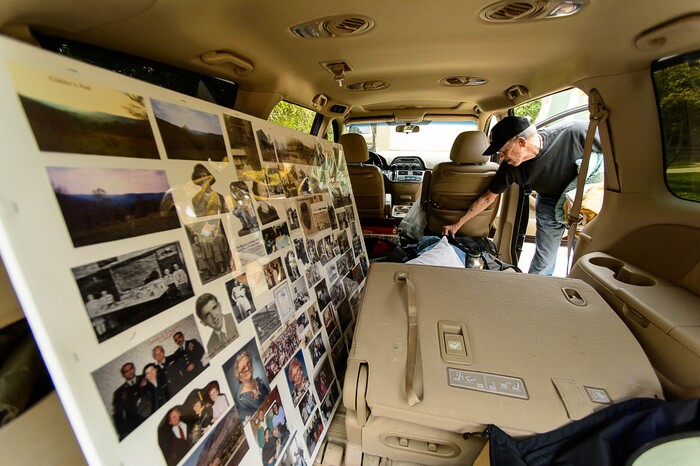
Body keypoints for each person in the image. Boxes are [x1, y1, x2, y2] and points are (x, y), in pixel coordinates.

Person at [441, 116, 601, 275]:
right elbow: (487, 198)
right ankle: (533, 293)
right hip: (548, 202)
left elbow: (615, 154)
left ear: (521, 142)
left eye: (503, 151)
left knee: (583, 253)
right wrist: (456, 225)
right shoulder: (510, 168)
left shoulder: (574, 132)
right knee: (543, 260)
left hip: (583, 200)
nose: (501, 157)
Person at [112, 362, 146, 440]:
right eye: (126, 371)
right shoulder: (119, 393)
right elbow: (118, 415)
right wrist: (122, 434)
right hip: (135, 425)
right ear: (123, 375)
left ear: (134, 369)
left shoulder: (145, 378)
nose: (130, 372)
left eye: (131, 368)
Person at [232, 350, 270, 421]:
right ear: (239, 376)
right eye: (243, 368)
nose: (247, 368)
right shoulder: (242, 401)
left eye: (248, 363)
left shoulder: (259, 380)